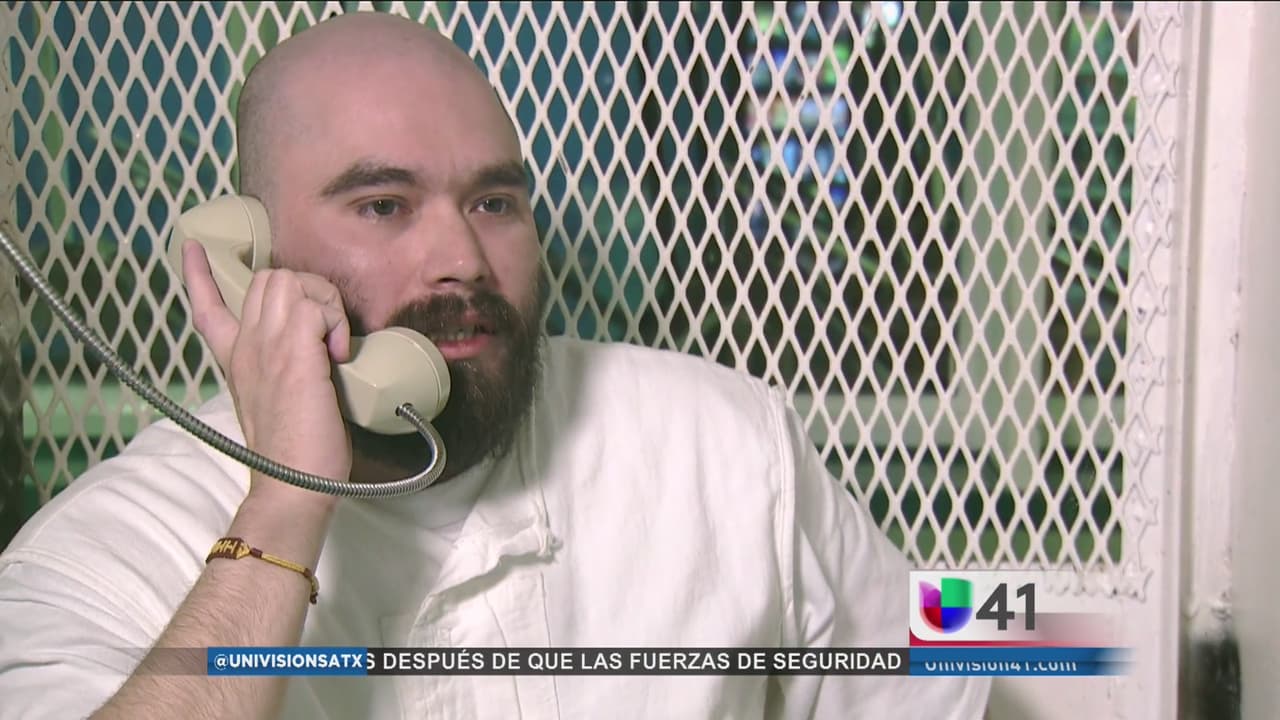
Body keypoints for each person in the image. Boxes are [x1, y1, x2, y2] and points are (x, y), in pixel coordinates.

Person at [0, 12, 989, 719]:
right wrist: (281, 512)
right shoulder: (104, 552)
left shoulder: (722, 442)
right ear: (248, 258)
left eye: (493, 203)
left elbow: (941, 679)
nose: (463, 260)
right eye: (383, 206)